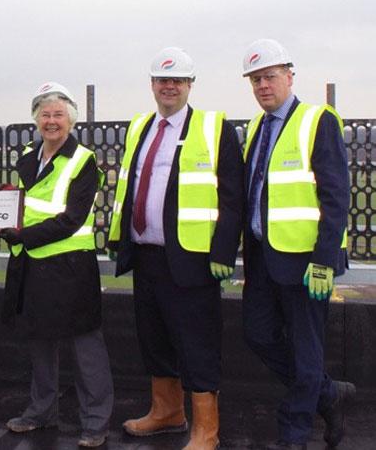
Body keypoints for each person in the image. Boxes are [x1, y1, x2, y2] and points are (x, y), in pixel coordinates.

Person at [108, 47, 244, 449]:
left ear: (190, 85)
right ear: (152, 85)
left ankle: (207, 431)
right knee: (155, 338)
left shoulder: (214, 128)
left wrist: (223, 252)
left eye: (178, 81)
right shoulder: (140, 127)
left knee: (197, 343)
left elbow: (232, 197)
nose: (169, 87)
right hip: (146, 254)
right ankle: (167, 412)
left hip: (192, 260)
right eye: (162, 80)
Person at [240, 38, 355, 450]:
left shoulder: (316, 119)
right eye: (255, 80)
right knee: (256, 333)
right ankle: (327, 394)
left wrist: (324, 260)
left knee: (307, 352)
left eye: (269, 77)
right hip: (263, 258)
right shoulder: (257, 126)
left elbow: (336, 195)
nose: (262, 87)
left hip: (306, 263)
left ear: (290, 76)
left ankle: (295, 433)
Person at [0, 82, 113, 448]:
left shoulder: (83, 161)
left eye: (58, 115)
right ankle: (40, 411)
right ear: (36, 120)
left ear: (71, 120)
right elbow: (24, 205)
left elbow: (73, 219)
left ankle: (95, 423)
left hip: (70, 268)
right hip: (33, 267)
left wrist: (22, 236)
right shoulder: (29, 158)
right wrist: (1, 207)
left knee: (85, 347)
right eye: (45, 115)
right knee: (40, 342)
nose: (51, 121)